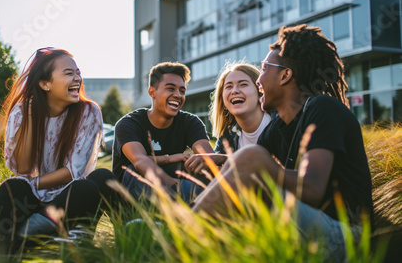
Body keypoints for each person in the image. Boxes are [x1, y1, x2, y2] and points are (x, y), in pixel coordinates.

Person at [192, 25, 373, 261]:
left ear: (285, 75)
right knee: (247, 167)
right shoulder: (278, 128)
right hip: (309, 226)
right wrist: (220, 159)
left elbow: (312, 188)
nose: (258, 79)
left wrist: (253, 162)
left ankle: (180, 239)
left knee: (251, 158)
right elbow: (245, 171)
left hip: (347, 237)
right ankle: (188, 229)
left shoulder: (322, 108)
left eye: (264, 69)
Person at [0, 47, 117, 241]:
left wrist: (34, 184)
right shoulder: (21, 112)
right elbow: (23, 168)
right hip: (31, 200)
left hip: (70, 198)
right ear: (45, 84)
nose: (77, 78)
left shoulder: (89, 112)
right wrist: (30, 117)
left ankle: (35, 230)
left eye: (78, 73)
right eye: (69, 73)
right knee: (13, 186)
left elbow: (73, 171)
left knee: (96, 181)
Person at [112, 62, 214, 202]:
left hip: (172, 190)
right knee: (135, 171)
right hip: (132, 197)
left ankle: (201, 209)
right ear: (152, 92)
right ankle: (182, 210)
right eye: (170, 89)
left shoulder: (190, 122)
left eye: (182, 91)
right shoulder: (129, 123)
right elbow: (140, 161)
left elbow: (208, 157)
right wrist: (173, 185)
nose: (178, 95)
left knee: (197, 166)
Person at [184, 62, 273, 174]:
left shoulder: (280, 124)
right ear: (223, 100)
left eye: (243, 84)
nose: (234, 91)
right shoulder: (228, 135)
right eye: (229, 86)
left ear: (260, 92)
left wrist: (223, 158)